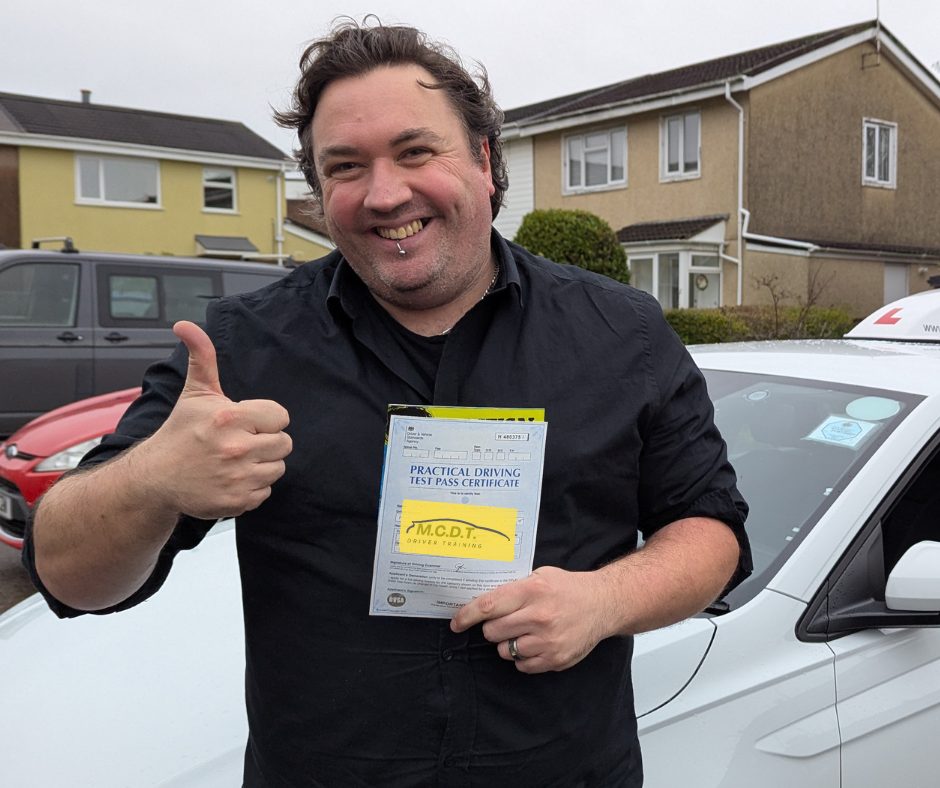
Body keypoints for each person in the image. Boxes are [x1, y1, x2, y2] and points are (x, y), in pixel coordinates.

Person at [24, 19, 750, 788]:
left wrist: (604, 600)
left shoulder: (621, 333)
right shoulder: (238, 349)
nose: (385, 194)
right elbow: (67, 575)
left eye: (415, 152)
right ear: (319, 192)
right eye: (345, 166)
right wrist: (151, 480)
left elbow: (712, 530)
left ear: (484, 161)